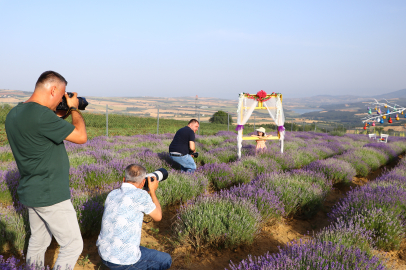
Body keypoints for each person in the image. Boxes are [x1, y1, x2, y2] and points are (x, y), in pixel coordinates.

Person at [5, 71, 87, 270]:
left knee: (39, 241)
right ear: (53, 90)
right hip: (51, 193)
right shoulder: (41, 115)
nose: (62, 99)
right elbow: (81, 136)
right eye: (62, 95)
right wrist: (75, 109)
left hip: (31, 191)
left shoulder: (15, 113)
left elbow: (38, 126)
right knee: (73, 244)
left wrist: (60, 114)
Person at [97, 164, 172, 270]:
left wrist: (144, 191)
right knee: (166, 260)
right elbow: (158, 216)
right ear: (142, 182)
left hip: (104, 254)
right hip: (123, 262)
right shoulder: (141, 196)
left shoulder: (112, 194)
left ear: (124, 179)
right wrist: (153, 192)